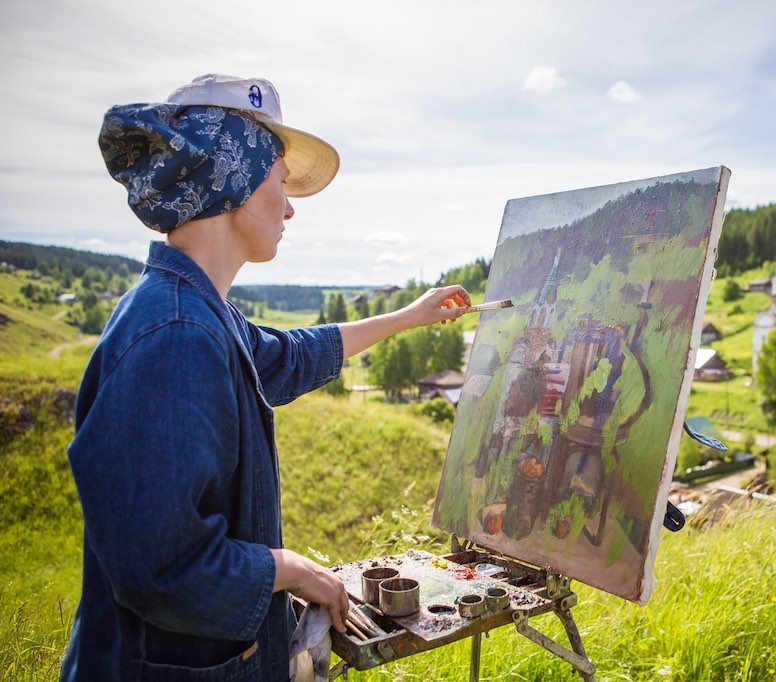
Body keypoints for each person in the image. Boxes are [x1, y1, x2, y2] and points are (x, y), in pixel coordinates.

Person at [60, 74, 470, 681]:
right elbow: (162, 568)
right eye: (279, 180)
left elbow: (288, 355)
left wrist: (411, 317)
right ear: (235, 177)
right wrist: (292, 568)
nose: (288, 205)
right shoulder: (177, 336)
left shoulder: (197, 311)